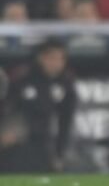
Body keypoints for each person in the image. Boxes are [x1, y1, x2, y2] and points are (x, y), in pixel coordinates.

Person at [3, 39, 77, 172]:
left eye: (61, 59)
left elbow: (65, 120)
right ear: (41, 58)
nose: (57, 63)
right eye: (52, 58)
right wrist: (5, 130)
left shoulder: (66, 83)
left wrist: (60, 152)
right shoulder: (22, 78)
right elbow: (6, 107)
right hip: (18, 143)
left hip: (45, 145)